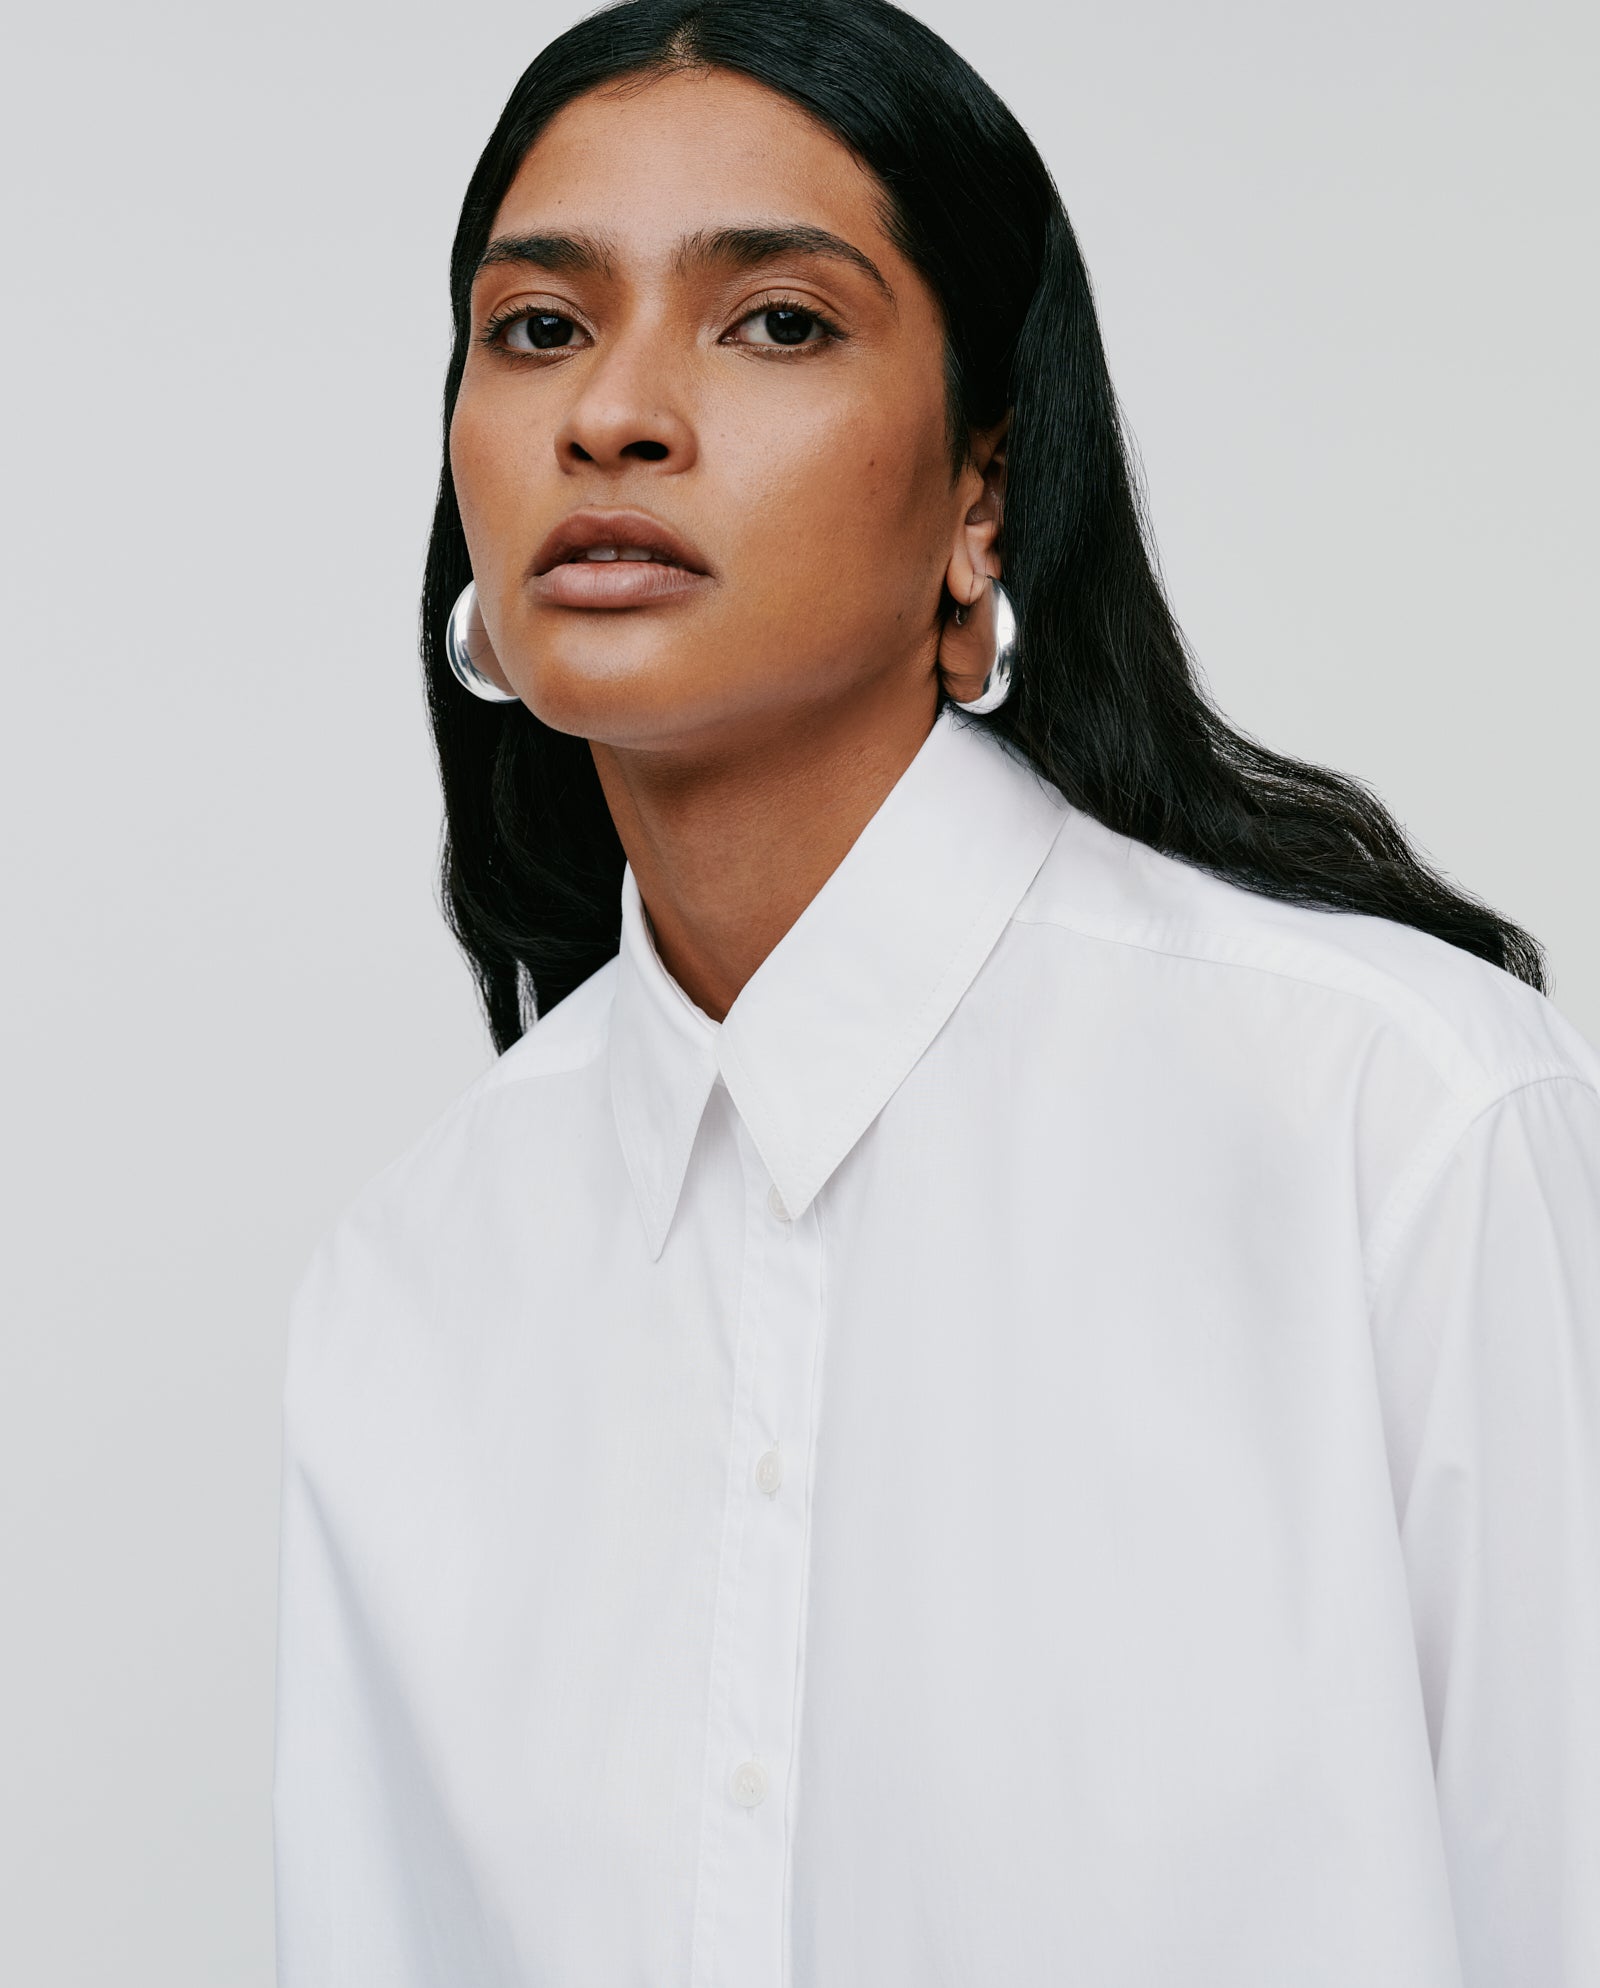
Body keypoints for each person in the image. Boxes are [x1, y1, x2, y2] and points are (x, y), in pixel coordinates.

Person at [271, 3, 1600, 1983]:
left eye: (775, 321)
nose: (613, 412)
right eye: (537, 327)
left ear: (980, 488)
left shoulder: (1395, 1123)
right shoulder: (407, 1285)